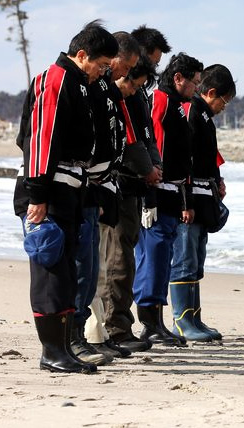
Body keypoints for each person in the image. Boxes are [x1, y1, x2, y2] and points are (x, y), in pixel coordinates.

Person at [13, 20, 118, 374]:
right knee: (51, 271)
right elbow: (40, 140)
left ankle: (62, 348)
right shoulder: (55, 80)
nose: (102, 72)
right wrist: (37, 195)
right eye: (101, 65)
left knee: (68, 273)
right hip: (49, 190)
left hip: (72, 189)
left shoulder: (79, 85)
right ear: (82, 55)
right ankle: (52, 352)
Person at [71, 31, 141, 365]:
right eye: (124, 69)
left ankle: (96, 336)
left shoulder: (105, 90)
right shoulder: (82, 87)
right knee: (89, 269)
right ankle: (85, 336)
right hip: (86, 187)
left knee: (93, 267)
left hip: (102, 186)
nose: (124, 76)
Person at [88, 54, 157, 355]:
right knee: (114, 260)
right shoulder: (108, 94)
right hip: (116, 185)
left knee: (119, 259)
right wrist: (148, 169)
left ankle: (113, 327)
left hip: (122, 184)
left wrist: (152, 167)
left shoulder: (126, 96)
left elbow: (144, 137)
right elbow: (131, 141)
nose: (133, 88)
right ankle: (112, 328)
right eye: (131, 78)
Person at [134, 52, 203, 346]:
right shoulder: (161, 100)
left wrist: (185, 199)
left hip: (173, 193)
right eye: (194, 82)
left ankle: (158, 322)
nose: (197, 88)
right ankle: (150, 324)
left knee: (163, 261)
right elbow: (155, 149)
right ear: (178, 78)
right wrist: (150, 198)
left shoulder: (177, 104)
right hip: (159, 193)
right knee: (153, 258)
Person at [170, 64, 236, 342]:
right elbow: (184, 159)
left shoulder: (205, 117)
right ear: (211, 93)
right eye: (224, 101)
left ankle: (194, 317)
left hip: (203, 198)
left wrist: (217, 180)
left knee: (196, 260)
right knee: (185, 260)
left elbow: (209, 157)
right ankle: (182, 321)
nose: (224, 107)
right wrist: (186, 202)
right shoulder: (191, 112)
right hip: (189, 201)